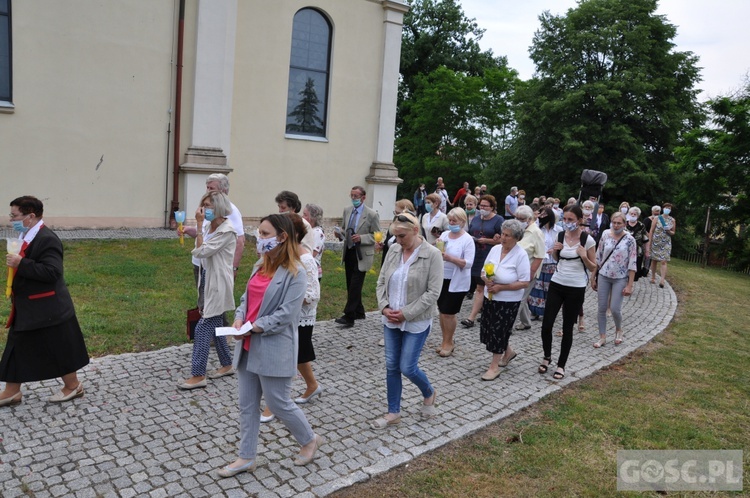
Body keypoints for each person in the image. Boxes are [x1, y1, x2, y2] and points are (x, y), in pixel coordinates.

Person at [218, 214, 324, 477]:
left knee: (278, 403)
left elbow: (288, 314)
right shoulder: (259, 264)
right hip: (247, 346)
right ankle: (246, 456)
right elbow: (246, 297)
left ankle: (309, 439)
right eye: (259, 233)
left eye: (265, 234)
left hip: (273, 346)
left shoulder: (296, 272)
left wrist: (255, 327)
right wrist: (240, 317)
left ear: (282, 237)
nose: (259, 238)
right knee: (247, 404)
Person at [1, 196, 90, 407]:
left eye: (14, 215)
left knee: (59, 348)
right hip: (30, 306)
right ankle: (12, 391)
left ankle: (73, 386)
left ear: (30, 216)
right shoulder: (27, 234)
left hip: (48, 308)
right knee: (17, 345)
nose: (10, 219)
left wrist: (21, 263)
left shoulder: (47, 238)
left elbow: (52, 272)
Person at [371, 212, 442, 430]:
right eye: (395, 236)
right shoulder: (393, 250)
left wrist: (406, 313)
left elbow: (433, 293)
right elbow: (381, 281)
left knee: (407, 367)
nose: (398, 241)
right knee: (392, 366)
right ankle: (394, 412)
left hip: (416, 320)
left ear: (415, 230)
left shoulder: (432, 254)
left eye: (402, 236)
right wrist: (384, 307)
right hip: (391, 318)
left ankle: (429, 392)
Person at [260, 214, 322, 422]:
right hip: (281, 315)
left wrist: (288, 298)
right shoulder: (279, 256)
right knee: (297, 357)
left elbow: (313, 294)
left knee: (289, 358)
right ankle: (312, 385)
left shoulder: (306, 259)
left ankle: (274, 403)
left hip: (300, 317)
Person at [179, 191, 237, 389]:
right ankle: (227, 364)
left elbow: (202, 251)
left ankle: (198, 374)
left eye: (208, 206)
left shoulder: (227, 230)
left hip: (218, 282)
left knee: (204, 327)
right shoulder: (210, 226)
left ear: (219, 207)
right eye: (203, 205)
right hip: (207, 277)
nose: (205, 210)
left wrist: (198, 226)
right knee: (217, 322)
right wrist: (200, 227)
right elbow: (200, 251)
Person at [538, 205, 597, 380]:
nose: (567, 222)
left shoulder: (588, 240)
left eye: (571, 220)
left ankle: (561, 365)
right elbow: (557, 259)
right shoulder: (561, 235)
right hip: (557, 283)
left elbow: (594, 267)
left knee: (567, 328)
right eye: (565, 219)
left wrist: (584, 256)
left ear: (579, 220)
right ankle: (547, 356)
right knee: (546, 324)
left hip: (576, 286)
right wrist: (556, 251)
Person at [479, 219, 530, 380]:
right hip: (490, 295)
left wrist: (502, 287)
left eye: (507, 235)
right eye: (503, 234)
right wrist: (486, 279)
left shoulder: (520, 255)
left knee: (499, 331)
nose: (503, 237)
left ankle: (494, 367)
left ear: (516, 238)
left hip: (508, 300)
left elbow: (524, 281)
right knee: (488, 328)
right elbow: (483, 270)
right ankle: (508, 352)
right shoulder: (495, 249)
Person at [180, 173, 245, 282]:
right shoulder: (208, 209)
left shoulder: (230, 211)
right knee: (202, 297)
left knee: (211, 297)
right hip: (200, 262)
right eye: (207, 187)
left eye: (212, 188)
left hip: (214, 265)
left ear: (223, 191)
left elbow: (240, 241)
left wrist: (233, 268)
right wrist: (188, 230)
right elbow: (203, 233)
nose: (208, 191)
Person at [334, 186, 380, 327]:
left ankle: (349, 315)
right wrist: (339, 234)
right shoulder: (347, 210)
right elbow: (344, 228)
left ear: (363, 197)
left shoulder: (371, 214)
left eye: (356, 196)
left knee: (355, 284)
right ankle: (359, 311)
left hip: (362, 254)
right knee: (350, 283)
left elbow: (378, 236)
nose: (354, 198)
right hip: (349, 251)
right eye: (352, 196)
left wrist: (362, 238)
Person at [591, 212, 637, 348]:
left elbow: (632, 263)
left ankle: (618, 330)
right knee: (602, 307)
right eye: (614, 222)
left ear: (624, 224)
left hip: (620, 277)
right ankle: (602, 336)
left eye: (619, 223)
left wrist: (630, 285)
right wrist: (593, 277)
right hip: (604, 275)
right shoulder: (605, 234)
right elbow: (598, 257)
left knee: (615, 308)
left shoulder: (629, 239)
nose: (616, 225)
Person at [435, 208, 475, 357]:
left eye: (454, 221)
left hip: (457, 280)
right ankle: (444, 339)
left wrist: (449, 258)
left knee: (449, 312)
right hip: (442, 277)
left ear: (462, 222)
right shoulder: (445, 234)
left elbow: (469, 263)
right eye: (450, 221)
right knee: (441, 310)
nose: (451, 223)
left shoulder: (467, 239)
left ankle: (449, 341)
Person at [461, 195, 504, 328]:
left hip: (490, 256)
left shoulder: (498, 220)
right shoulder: (476, 218)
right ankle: (485, 311)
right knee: (479, 286)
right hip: (475, 255)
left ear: (492, 207)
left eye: (485, 206)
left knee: (481, 287)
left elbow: (503, 239)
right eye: (481, 206)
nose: (483, 208)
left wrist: (487, 240)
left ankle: (471, 318)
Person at [513, 205, 546, 331]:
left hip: (528, 271)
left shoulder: (536, 232)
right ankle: (526, 322)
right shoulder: (518, 230)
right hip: (516, 269)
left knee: (519, 298)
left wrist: (531, 272)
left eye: (521, 219)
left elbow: (540, 255)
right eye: (517, 217)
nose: (518, 220)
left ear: (529, 218)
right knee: (522, 297)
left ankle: (508, 325)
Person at [528, 207, 563, 319]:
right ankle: (535, 311)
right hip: (540, 261)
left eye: (544, 214)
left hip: (552, 262)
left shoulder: (558, 230)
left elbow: (562, 244)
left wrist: (554, 250)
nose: (542, 216)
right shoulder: (537, 229)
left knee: (549, 287)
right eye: (541, 214)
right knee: (537, 286)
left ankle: (548, 310)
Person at [647, 203, 676, 288]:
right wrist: (650, 241)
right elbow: (651, 230)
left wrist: (669, 231)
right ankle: (653, 277)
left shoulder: (672, 220)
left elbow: (673, 232)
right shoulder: (657, 218)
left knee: (664, 261)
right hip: (656, 241)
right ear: (663, 209)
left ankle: (662, 280)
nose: (667, 209)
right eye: (666, 208)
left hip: (666, 242)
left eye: (669, 208)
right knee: (654, 260)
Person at [625, 206, 649, 282]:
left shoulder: (641, 226)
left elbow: (645, 239)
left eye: (634, 214)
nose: (632, 215)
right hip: (625, 249)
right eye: (631, 213)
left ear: (638, 216)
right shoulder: (624, 224)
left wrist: (647, 251)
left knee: (635, 269)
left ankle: (630, 284)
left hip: (637, 251)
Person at [302, 203, 325, 282]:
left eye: (305, 215)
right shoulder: (308, 230)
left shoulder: (317, 232)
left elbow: (313, 253)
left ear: (313, 218)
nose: (302, 217)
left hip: (312, 270)